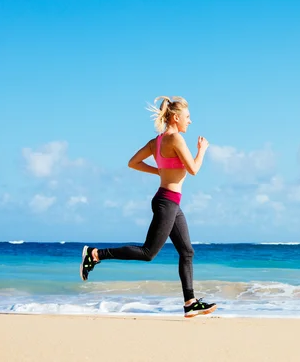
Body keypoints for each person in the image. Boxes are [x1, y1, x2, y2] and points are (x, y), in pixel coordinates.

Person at [79, 95, 217, 318]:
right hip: (167, 203)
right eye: (188, 117)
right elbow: (193, 169)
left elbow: (132, 162)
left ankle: (190, 302)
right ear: (175, 117)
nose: (190, 121)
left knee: (187, 251)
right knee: (148, 253)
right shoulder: (176, 139)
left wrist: (160, 172)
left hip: (169, 201)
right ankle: (95, 254)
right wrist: (202, 150)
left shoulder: (157, 141)